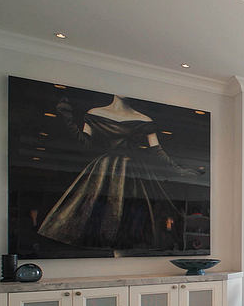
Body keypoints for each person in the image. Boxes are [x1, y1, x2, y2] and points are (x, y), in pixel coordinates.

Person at [37, 95, 202, 252]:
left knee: (135, 220)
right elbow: (85, 144)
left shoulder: (144, 120)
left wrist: (180, 170)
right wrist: (68, 121)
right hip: (105, 172)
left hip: (134, 174)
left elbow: (157, 151)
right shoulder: (95, 113)